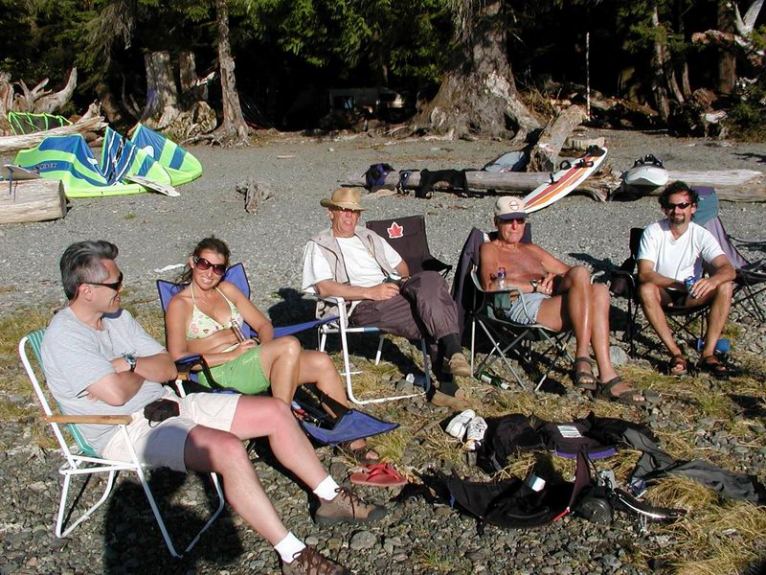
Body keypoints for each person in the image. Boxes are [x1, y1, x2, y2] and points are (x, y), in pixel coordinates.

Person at [41, 240, 386, 575]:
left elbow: (168, 365)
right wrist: (140, 369)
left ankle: (330, 497)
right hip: (123, 428)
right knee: (227, 448)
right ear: (86, 290)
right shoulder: (66, 336)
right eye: (115, 282)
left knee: (276, 412)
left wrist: (129, 364)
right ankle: (292, 553)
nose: (122, 288)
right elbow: (115, 396)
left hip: (170, 401)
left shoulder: (119, 317)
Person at [164, 236, 376, 461]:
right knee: (290, 344)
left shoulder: (227, 290)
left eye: (218, 268)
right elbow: (178, 358)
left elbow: (264, 325)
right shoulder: (181, 304)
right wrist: (234, 354)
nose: (209, 273)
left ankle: (351, 439)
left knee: (320, 361)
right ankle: (284, 428)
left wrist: (265, 349)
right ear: (192, 262)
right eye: (204, 264)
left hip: (250, 361)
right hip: (217, 372)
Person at [302, 187, 471, 410]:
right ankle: (448, 378)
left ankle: (453, 352)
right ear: (330, 212)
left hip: (392, 289)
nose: (349, 216)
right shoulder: (319, 244)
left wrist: (402, 284)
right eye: (343, 210)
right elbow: (324, 287)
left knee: (431, 280)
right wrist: (370, 292)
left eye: (354, 212)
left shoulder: (368, 236)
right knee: (426, 310)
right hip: (361, 303)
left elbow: (401, 266)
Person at [479, 197, 645, 404]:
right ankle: (593, 367)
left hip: (550, 301)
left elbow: (572, 273)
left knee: (598, 288)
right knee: (595, 292)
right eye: (508, 220)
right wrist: (533, 286)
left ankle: (599, 368)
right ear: (496, 221)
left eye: (520, 220)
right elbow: (490, 286)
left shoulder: (531, 249)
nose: (515, 226)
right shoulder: (490, 249)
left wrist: (554, 278)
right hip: (522, 303)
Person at [637, 181, 736, 377]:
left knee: (725, 286)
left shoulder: (701, 235)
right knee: (646, 288)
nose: (677, 211)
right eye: (672, 206)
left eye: (683, 205)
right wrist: (678, 284)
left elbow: (728, 269)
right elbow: (645, 273)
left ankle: (708, 354)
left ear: (693, 208)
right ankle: (675, 353)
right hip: (665, 292)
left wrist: (712, 281)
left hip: (693, 294)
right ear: (665, 209)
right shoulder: (653, 232)